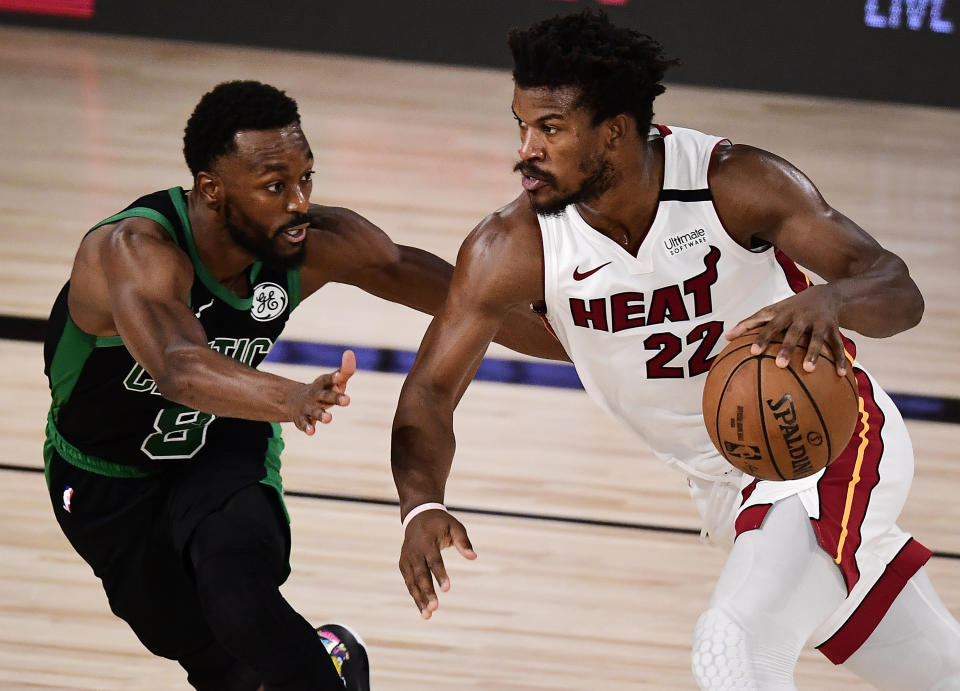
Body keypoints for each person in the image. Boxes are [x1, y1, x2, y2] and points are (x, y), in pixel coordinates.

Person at [391, 10, 960, 690]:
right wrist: (420, 503)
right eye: (521, 125)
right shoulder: (513, 247)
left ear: (614, 132)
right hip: (726, 484)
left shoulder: (732, 183)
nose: (526, 148)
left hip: (827, 441)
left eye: (549, 128)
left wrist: (830, 301)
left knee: (735, 644)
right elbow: (429, 389)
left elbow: (898, 287)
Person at [42, 80, 561, 691]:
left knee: (243, 602)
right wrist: (291, 399)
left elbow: (472, 299)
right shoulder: (134, 249)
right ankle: (333, 662)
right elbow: (178, 368)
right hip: (105, 476)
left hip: (221, 448)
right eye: (274, 186)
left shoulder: (315, 244)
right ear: (212, 190)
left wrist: (589, 349)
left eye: (305, 178)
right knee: (219, 665)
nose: (299, 201)